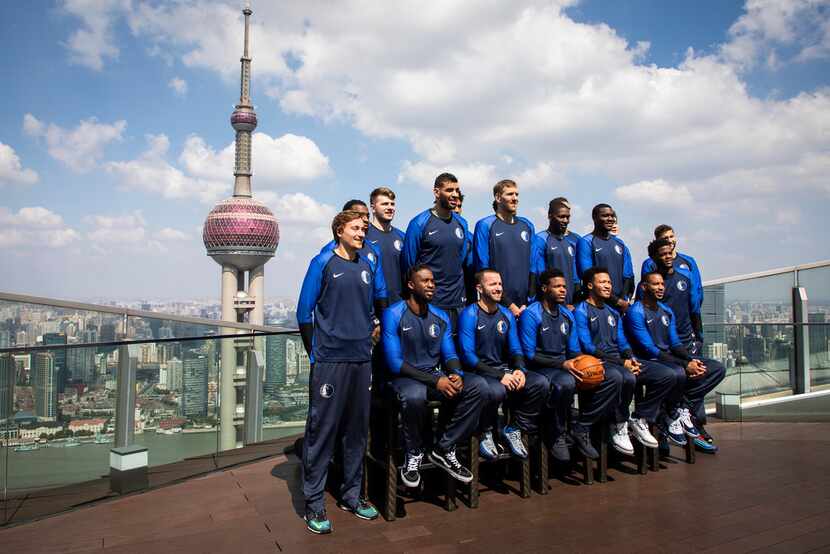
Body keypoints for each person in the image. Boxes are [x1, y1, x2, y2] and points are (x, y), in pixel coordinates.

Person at [296, 210, 386, 534]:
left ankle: (352, 495)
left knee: (357, 431)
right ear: (339, 231)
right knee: (322, 431)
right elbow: (303, 312)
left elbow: (374, 307)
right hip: (330, 362)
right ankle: (314, 502)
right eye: (355, 228)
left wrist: (372, 330)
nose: (362, 232)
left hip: (361, 360)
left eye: (364, 228)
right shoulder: (322, 263)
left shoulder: (368, 264)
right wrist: (315, 354)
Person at [382, 265, 484, 487]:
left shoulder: (440, 315)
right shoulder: (393, 314)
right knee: (415, 395)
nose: (431, 285)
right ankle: (414, 452)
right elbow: (394, 363)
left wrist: (455, 373)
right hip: (403, 378)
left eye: (433, 281)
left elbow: (449, 354)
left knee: (478, 387)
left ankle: (444, 447)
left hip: (433, 377)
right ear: (411, 285)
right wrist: (437, 380)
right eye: (425, 281)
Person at [519, 269, 621, 462]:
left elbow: (573, 350)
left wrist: (585, 361)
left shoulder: (567, 314)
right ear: (544, 288)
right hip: (539, 368)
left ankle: (582, 425)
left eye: (564, 286)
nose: (563, 290)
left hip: (563, 365)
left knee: (612, 376)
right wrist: (562, 364)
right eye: (557, 286)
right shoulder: (532, 314)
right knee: (567, 383)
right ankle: (555, 432)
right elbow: (529, 355)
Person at [573, 267, 675, 455]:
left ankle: (640, 417)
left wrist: (630, 358)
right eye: (602, 282)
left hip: (620, 361)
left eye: (609, 282)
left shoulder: (613, 312)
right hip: (598, 363)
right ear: (589, 285)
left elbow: (622, 342)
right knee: (625, 378)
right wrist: (622, 363)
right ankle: (618, 423)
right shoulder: (581, 311)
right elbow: (588, 347)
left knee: (666, 374)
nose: (607, 285)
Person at [624, 272, 726, 450]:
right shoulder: (636, 312)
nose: (661, 287)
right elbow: (650, 349)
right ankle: (668, 412)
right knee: (677, 372)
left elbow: (675, 343)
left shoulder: (666, 311)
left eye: (662, 284)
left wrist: (689, 359)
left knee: (716, 368)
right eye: (655, 284)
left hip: (668, 358)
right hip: (647, 360)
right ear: (644, 287)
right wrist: (685, 365)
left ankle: (680, 406)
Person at [458, 269, 547, 460]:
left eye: (499, 284)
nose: (498, 288)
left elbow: (515, 349)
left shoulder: (506, 314)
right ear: (479, 288)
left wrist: (520, 370)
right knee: (497, 390)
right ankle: (486, 431)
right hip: (478, 373)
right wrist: (501, 376)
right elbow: (468, 357)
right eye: (492, 284)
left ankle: (515, 427)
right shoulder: (469, 314)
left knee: (540, 383)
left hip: (502, 370)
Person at [648, 238, 725, 451]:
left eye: (670, 251)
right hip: (664, 350)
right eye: (662, 253)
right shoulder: (649, 284)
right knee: (678, 376)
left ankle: (682, 409)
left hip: (685, 344)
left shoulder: (684, 278)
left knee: (715, 369)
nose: (668, 256)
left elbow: (694, 310)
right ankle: (666, 424)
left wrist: (697, 339)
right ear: (654, 258)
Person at [402, 173, 471, 330]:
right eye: (449, 190)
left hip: (457, 301)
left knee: (455, 351)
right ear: (436, 192)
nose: (454, 194)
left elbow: (460, 259)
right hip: (430, 301)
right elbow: (409, 264)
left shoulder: (462, 223)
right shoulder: (419, 223)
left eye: (457, 190)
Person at [473, 179, 536, 317]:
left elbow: (533, 267)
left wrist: (528, 303)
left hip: (525, 307)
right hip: (497, 304)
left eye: (517, 194)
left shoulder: (527, 225)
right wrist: (508, 304)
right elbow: (482, 268)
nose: (515, 199)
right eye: (510, 194)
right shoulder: (485, 225)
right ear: (498, 197)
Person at [640, 224, 703, 325]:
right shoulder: (649, 263)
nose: (670, 240)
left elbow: (697, 291)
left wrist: (692, 317)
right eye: (665, 238)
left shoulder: (688, 261)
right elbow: (645, 292)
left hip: (684, 322)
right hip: (660, 321)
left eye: (671, 236)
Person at [576, 204, 634, 312]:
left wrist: (623, 300)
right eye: (605, 215)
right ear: (595, 217)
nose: (610, 219)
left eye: (612, 216)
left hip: (620, 306)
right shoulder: (586, 242)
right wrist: (615, 300)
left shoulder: (619, 243)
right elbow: (587, 275)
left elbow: (628, 276)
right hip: (597, 305)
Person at [533, 198, 580, 307]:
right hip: (550, 303)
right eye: (561, 217)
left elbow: (576, 276)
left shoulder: (575, 240)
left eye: (567, 217)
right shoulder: (540, 239)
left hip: (571, 305)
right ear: (550, 216)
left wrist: (575, 303)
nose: (565, 220)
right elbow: (539, 273)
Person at [367, 187, 406, 304]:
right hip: (374, 304)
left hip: (399, 303)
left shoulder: (402, 237)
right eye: (384, 204)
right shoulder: (363, 236)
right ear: (373, 208)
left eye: (392, 204)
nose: (390, 208)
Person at [453, 192, 477, 305]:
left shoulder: (470, 237)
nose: (457, 210)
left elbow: (472, 269)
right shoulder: (429, 229)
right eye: (454, 206)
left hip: (466, 295)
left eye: (459, 206)